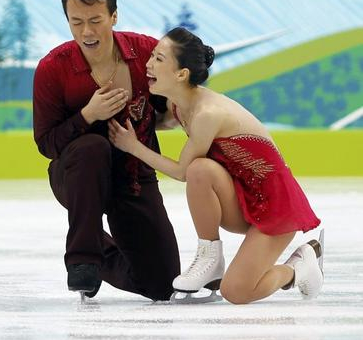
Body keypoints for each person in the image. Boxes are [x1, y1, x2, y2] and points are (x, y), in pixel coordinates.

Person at [108, 27, 323, 304]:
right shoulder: (178, 104)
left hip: (276, 207)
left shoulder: (207, 114)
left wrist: (133, 146)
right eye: (152, 56)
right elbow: (162, 124)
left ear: (181, 74)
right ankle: (210, 257)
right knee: (201, 169)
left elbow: (181, 172)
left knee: (236, 292)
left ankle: (298, 267)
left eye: (159, 59)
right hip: (243, 200)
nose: (148, 64)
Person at [33, 0, 180, 301]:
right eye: (76, 22)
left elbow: (173, 103)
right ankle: (82, 261)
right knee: (92, 147)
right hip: (76, 176)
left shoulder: (146, 53)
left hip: (134, 176)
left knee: (162, 285)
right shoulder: (53, 68)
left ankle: (101, 258)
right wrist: (87, 115)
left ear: (114, 16)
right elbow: (46, 144)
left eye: (95, 20)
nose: (86, 31)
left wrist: (178, 113)